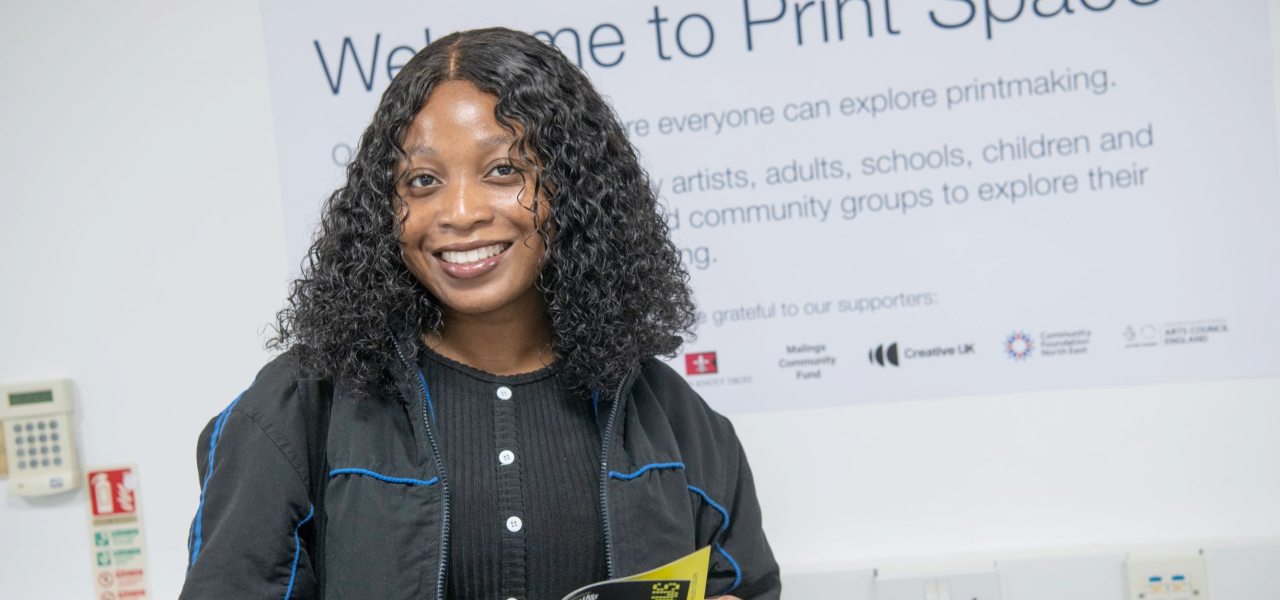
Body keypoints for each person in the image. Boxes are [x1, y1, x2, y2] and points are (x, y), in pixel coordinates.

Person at [179, 27, 779, 600]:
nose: (459, 212)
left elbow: (743, 586)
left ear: (572, 189)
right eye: (421, 180)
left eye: (502, 171)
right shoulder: (294, 412)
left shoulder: (679, 426)